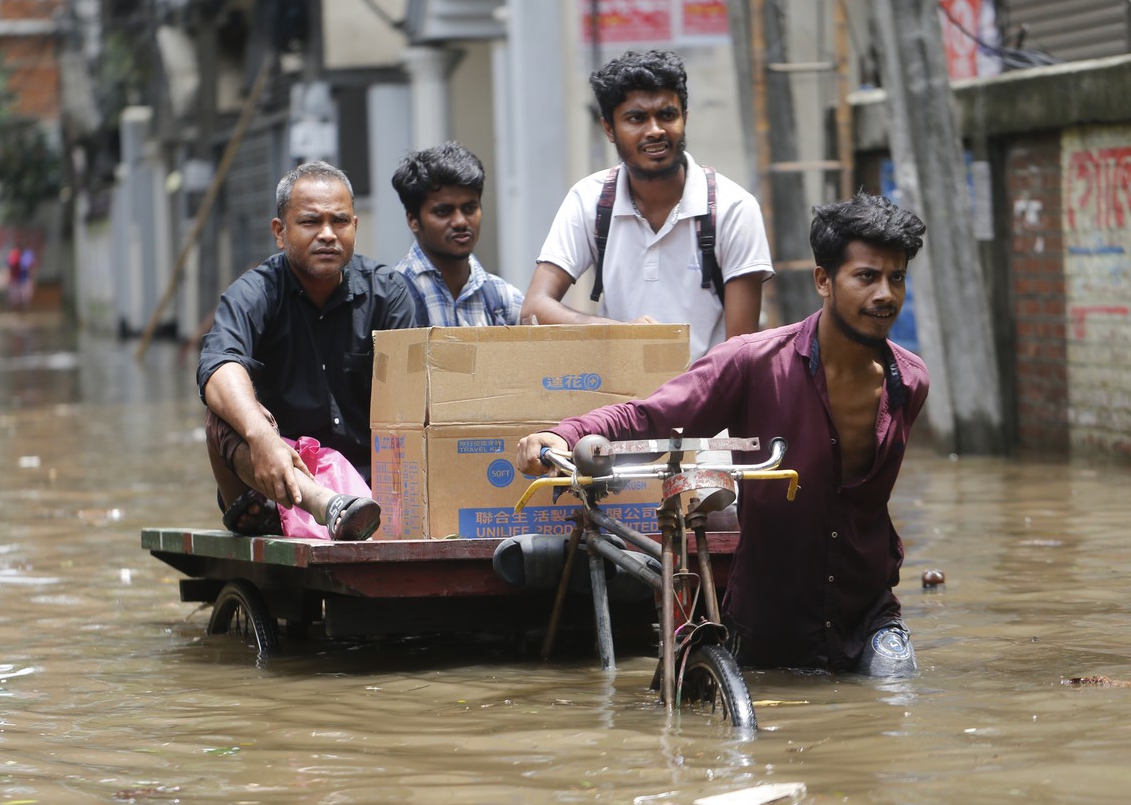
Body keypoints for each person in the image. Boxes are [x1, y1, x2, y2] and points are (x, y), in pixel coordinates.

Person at [515, 192, 929, 677]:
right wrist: (564, 434)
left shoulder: (909, 382)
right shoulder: (753, 362)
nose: (885, 295)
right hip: (768, 623)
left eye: (896, 278)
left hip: (867, 616)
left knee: (894, 700)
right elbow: (652, 416)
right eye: (866, 276)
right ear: (823, 281)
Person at [197, 160, 423, 540]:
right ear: (280, 232)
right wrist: (262, 436)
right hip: (274, 484)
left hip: (370, 487)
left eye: (339, 221)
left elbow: (413, 401)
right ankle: (323, 504)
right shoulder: (254, 293)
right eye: (310, 222)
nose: (328, 234)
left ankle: (346, 508)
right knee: (221, 414)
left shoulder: (388, 294)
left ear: (355, 227)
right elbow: (219, 364)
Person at [520, 49, 774, 363]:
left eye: (667, 115)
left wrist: (684, 391)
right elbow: (534, 309)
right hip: (620, 390)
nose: (655, 130)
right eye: (636, 118)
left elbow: (740, 354)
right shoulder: (590, 200)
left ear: (684, 118)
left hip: (709, 390)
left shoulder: (733, 208)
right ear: (609, 129)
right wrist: (621, 333)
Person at [391, 141, 522, 326]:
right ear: (413, 220)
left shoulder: (503, 300)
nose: (460, 222)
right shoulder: (392, 297)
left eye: (469, 208)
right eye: (443, 211)